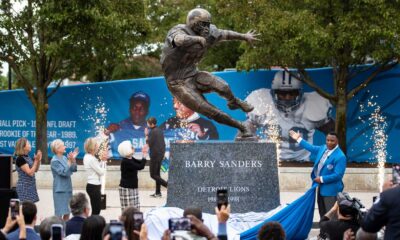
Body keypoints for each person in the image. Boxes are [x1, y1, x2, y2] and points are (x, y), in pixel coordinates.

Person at [160, 8, 259, 138]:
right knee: (209, 109)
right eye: (203, 24)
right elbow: (178, 40)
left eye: (207, 23)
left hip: (193, 74)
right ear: (193, 23)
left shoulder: (209, 33)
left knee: (223, 86)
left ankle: (233, 101)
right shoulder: (179, 30)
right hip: (177, 82)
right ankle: (241, 126)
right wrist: (195, 39)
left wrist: (244, 36)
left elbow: (225, 34)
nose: (206, 27)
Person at [244, 70, 334, 161]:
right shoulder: (263, 102)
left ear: (299, 93)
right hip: (270, 162)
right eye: (283, 93)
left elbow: (333, 132)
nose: (287, 97)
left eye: (292, 93)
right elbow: (246, 130)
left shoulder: (312, 105)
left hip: (301, 164)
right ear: (274, 93)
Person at [289, 130, 346, 218]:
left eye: (332, 141)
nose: (329, 142)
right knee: (322, 212)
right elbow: (311, 147)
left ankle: (332, 231)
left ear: (337, 141)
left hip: (331, 191)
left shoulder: (340, 156)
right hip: (321, 188)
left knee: (331, 214)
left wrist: (322, 179)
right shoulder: (323, 148)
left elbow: (338, 175)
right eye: (327, 140)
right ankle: (324, 231)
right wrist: (299, 139)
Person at [107, 91, 150, 158]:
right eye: (134, 108)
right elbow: (98, 147)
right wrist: (106, 132)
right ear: (129, 109)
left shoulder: (152, 131)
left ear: (147, 111)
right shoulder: (117, 128)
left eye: (141, 109)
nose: (137, 112)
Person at [50, 139, 79, 220]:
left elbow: (73, 169)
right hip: (59, 190)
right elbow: (64, 172)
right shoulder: (54, 161)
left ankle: (65, 230)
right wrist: (69, 161)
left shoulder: (64, 158)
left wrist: (73, 160)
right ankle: (58, 230)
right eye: (63, 145)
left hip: (67, 188)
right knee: (59, 214)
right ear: (57, 148)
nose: (65, 146)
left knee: (67, 212)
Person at [118, 140, 147, 211]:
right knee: (128, 210)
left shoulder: (130, 159)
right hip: (127, 188)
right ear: (126, 150)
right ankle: (127, 222)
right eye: (131, 147)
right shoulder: (126, 161)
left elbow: (140, 163)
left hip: (132, 187)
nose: (133, 148)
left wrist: (144, 153)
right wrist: (144, 155)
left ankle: (135, 222)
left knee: (135, 208)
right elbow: (140, 167)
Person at [145, 117, 167, 198]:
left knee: (153, 175)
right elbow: (163, 143)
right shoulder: (160, 130)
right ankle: (158, 192)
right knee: (157, 174)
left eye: (148, 123)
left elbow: (148, 143)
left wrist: (146, 135)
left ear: (152, 124)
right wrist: (163, 153)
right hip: (160, 155)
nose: (147, 124)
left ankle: (168, 186)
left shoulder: (152, 132)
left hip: (155, 156)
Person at [14, 137, 42, 202]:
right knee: (25, 208)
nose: (30, 145)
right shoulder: (20, 159)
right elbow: (30, 173)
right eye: (28, 144)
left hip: (31, 186)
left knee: (30, 209)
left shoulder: (27, 157)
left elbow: (35, 170)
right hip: (24, 187)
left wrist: (38, 161)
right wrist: (36, 161)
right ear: (23, 147)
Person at [83, 137, 106, 215]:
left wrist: (102, 161)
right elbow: (101, 172)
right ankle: (92, 225)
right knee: (96, 210)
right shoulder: (91, 159)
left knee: (96, 208)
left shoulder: (88, 157)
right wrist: (104, 162)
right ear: (93, 147)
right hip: (94, 186)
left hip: (92, 185)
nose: (98, 146)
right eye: (96, 145)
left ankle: (92, 224)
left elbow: (96, 167)